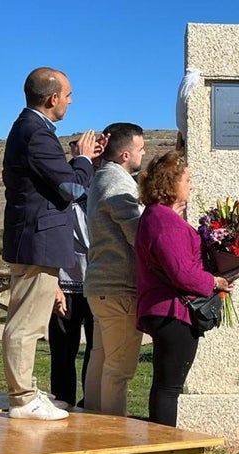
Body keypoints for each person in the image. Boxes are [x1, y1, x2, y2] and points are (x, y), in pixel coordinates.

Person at [1, 66, 98, 420]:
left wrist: (76, 162)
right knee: (26, 324)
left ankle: (25, 393)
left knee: (29, 321)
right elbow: (72, 188)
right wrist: (84, 160)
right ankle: (23, 399)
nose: (71, 101)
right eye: (68, 95)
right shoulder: (37, 133)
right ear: (53, 98)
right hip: (37, 240)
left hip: (34, 239)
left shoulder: (30, 129)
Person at [135, 151, 232, 426]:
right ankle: (165, 449)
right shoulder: (164, 221)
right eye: (187, 179)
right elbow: (181, 273)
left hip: (166, 309)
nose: (191, 185)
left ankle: (160, 445)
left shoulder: (158, 217)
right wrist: (215, 282)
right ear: (171, 182)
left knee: (164, 384)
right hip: (172, 311)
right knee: (169, 387)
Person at [83, 123, 146, 416]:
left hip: (100, 285)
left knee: (101, 360)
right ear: (124, 154)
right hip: (119, 286)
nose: (143, 153)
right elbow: (138, 236)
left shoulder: (101, 178)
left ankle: (94, 426)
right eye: (140, 148)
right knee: (119, 369)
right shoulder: (119, 184)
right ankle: (113, 433)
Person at [47, 139, 102, 408]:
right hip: (65, 282)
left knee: (96, 349)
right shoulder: (63, 188)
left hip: (96, 283)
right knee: (62, 351)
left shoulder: (103, 190)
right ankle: (62, 401)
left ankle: (89, 401)